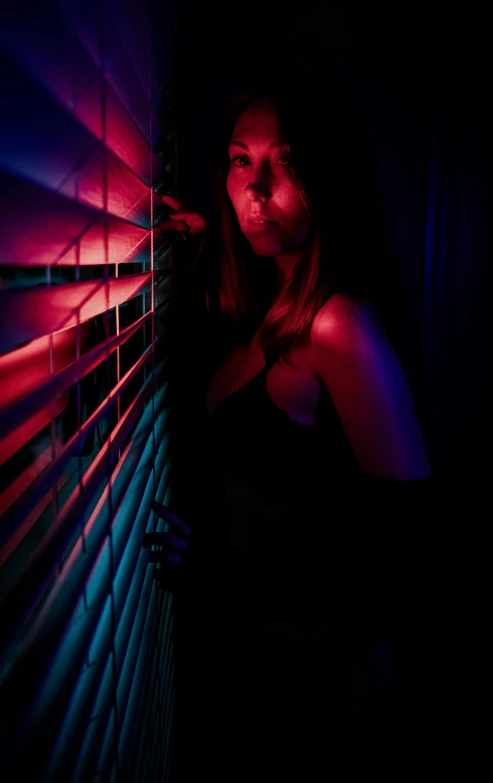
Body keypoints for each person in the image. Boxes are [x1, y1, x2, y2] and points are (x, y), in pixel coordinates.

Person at [143, 72, 438, 777]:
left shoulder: (340, 325)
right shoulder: (262, 316)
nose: (256, 187)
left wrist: (217, 562)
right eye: (241, 160)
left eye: (286, 161)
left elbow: (410, 542)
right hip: (256, 677)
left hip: (332, 697)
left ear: (327, 178)